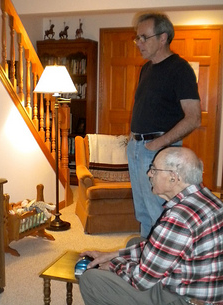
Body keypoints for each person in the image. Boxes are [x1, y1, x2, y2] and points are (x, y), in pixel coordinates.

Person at [79, 147, 223, 305]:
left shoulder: (178, 218)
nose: (149, 174)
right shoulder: (210, 199)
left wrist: (113, 264)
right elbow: (164, 247)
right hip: (205, 287)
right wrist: (114, 254)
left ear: (173, 178)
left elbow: (141, 281)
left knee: (91, 280)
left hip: (188, 300)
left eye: (154, 169)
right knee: (134, 243)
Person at [127, 12, 201, 238]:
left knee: (157, 209)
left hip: (158, 151)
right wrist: (132, 139)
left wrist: (155, 144)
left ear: (163, 38)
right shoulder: (146, 68)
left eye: (144, 37)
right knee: (142, 209)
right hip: (137, 148)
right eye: (137, 37)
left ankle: (159, 262)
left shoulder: (180, 69)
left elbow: (193, 118)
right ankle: (145, 255)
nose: (139, 43)